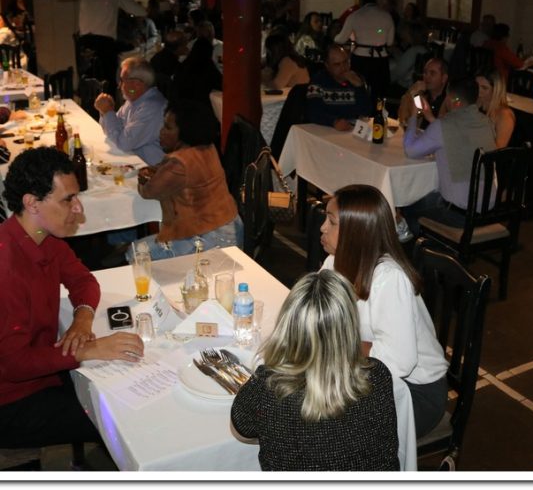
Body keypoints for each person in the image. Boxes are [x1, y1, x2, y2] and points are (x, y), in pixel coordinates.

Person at [0, 147, 144, 451]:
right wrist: (90, 349)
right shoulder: (7, 269)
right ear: (32, 203)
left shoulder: (44, 239)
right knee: (125, 418)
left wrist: (83, 318)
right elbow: (13, 365)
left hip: (43, 374)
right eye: (68, 200)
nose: (79, 209)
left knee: (125, 385)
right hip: (13, 402)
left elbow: (83, 281)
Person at [231, 269, 400, 471]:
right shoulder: (378, 375)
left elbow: (240, 431)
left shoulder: (267, 386)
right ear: (349, 327)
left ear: (288, 324)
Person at [318, 184, 448, 439]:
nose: (322, 227)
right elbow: (318, 314)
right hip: (368, 374)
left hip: (414, 392)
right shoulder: (334, 262)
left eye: (331, 222)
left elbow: (399, 362)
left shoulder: (389, 279)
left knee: (325, 425)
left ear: (357, 231)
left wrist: (344, 344)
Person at [130, 100, 241, 261]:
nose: (161, 131)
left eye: (168, 127)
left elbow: (149, 191)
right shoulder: (208, 148)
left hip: (208, 240)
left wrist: (142, 178)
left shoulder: (179, 162)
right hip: (230, 227)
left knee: (135, 253)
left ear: (185, 132)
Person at [403, 77, 496, 235]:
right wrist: (431, 118)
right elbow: (461, 136)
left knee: (408, 203)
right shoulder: (486, 122)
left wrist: (413, 116)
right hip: (487, 209)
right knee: (431, 196)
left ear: (453, 100)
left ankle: (428, 242)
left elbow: (410, 150)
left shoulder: (442, 126)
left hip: (459, 215)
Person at [78, 0, 146, 96]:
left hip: (84, 44)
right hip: (104, 44)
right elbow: (139, 11)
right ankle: (109, 103)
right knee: (108, 80)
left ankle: (87, 102)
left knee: (88, 79)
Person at [94, 56, 166, 165]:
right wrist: (106, 111)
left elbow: (123, 143)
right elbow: (112, 131)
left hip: (150, 167)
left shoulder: (152, 108)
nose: (119, 86)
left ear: (137, 84)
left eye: (122, 80)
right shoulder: (133, 100)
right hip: (131, 158)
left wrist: (108, 112)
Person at [334, 0, 395, 110]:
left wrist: (334, 36)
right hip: (381, 59)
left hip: (361, 58)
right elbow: (389, 42)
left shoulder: (355, 16)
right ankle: (378, 115)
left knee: (360, 90)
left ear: (361, 0)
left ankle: (361, 113)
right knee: (379, 93)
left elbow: (340, 39)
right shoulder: (386, 16)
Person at [306, 44, 370, 131]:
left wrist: (359, 87)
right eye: (337, 64)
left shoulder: (356, 79)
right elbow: (313, 112)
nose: (343, 68)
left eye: (345, 62)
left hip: (351, 130)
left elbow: (367, 112)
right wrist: (334, 121)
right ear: (327, 66)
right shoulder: (318, 81)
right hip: (326, 130)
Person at [170, 36, 223, 106]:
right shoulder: (209, 68)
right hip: (201, 107)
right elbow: (221, 85)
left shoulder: (183, 65)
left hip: (180, 105)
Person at [397, 57, 449, 126]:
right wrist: (411, 93)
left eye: (432, 73)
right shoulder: (421, 95)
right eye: (425, 72)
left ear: (444, 78)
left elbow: (448, 129)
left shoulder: (450, 101)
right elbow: (404, 120)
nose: (427, 76)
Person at [476, 63, 516, 148]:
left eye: (484, 88)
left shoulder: (504, 116)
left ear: (496, 90)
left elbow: (498, 150)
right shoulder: (475, 104)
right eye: (476, 86)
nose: (478, 91)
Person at [148, 30, 190, 99]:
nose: (187, 47)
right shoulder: (176, 66)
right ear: (179, 47)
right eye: (185, 44)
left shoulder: (156, 57)